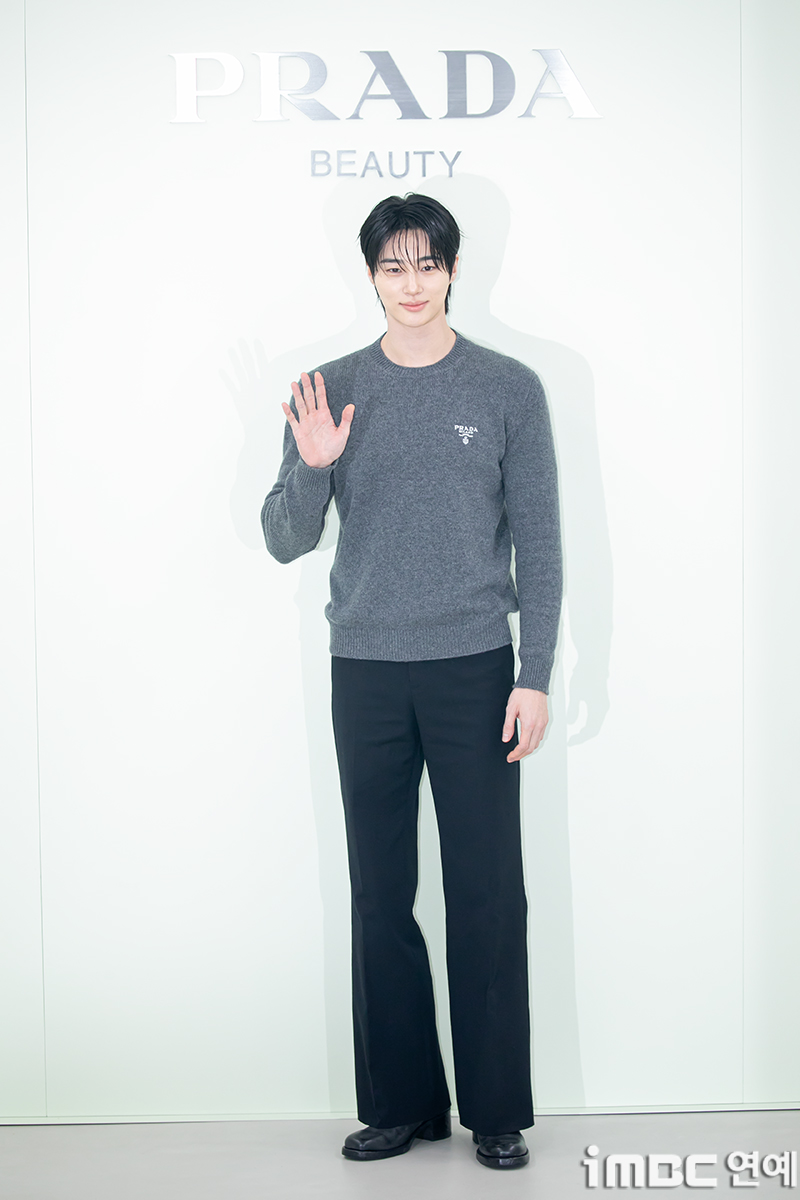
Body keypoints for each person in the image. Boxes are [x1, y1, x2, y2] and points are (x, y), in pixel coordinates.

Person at [261, 193, 562, 1170]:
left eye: (427, 263)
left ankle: (496, 1110)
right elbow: (283, 539)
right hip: (366, 670)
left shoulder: (508, 387)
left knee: (487, 893)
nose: (411, 283)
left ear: (453, 268)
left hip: (475, 670)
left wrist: (533, 673)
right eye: (393, 267)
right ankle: (400, 1104)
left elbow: (541, 547)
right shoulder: (330, 389)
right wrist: (313, 467)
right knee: (379, 894)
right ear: (370, 277)